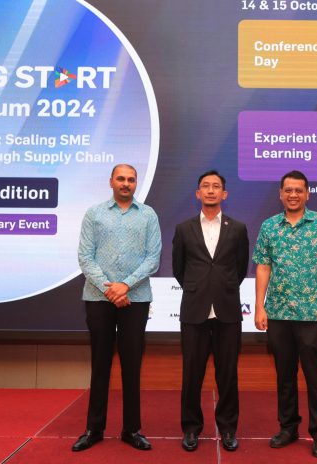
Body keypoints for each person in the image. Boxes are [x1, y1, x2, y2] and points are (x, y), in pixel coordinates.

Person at [252, 170, 317, 458]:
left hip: (313, 314)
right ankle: (288, 427)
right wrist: (259, 305)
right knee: (284, 375)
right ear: (280, 194)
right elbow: (263, 266)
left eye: (298, 190)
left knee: (315, 376)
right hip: (279, 313)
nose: (293, 195)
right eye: (288, 190)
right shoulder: (269, 227)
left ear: (307, 194)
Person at [72, 164, 161, 452]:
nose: (126, 183)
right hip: (99, 298)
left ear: (136, 184)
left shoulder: (148, 215)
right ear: (111, 181)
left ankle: (131, 430)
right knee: (100, 364)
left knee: (132, 365)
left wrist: (125, 285)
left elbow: (153, 258)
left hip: (136, 299)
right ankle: (93, 429)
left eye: (131, 179)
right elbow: (85, 257)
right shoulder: (94, 214)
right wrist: (111, 289)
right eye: (121, 178)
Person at [172, 170, 249, 452]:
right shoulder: (183, 228)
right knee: (192, 373)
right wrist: (199, 288)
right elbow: (179, 269)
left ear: (224, 194)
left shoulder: (238, 228)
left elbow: (240, 268)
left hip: (227, 310)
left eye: (216, 186)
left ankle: (228, 429)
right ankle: (191, 429)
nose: (211, 190)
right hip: (194, 310)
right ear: (198, 193)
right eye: (205, 186)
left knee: (227, 374)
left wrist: (221, 288)